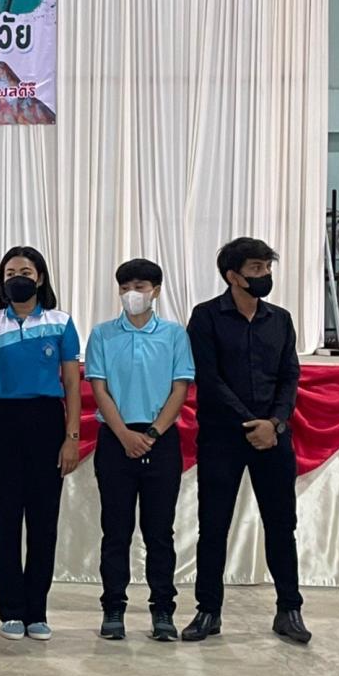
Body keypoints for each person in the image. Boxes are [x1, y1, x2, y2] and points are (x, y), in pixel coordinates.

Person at [182, 238, 310, 644]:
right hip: (222, 436)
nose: (264, 275)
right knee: (213, 524)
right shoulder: (206, 317)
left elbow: (290, 375)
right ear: (232, 276)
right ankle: (208, 610)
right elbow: (208, 378)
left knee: (281, 524)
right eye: (256, 268)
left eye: (267, 268)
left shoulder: (280, 319)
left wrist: (273, 422)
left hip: (273, 437)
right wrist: (249, 422)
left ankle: (289, 609)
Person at [84, 259, 194, 642]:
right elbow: (99, 388)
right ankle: (113, 607)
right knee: (115, 531)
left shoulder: (174, 335)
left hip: (160, 440)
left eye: (141, 286)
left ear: (156, 290)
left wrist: (151, 433)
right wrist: (124, 435)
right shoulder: (102, 334)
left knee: (159, 532)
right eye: (126, 286)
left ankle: (163, 609)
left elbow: (180, 388)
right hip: (115, 440)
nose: (133, 293)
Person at [0, 246, 81, 642]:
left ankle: (37, 610)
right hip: (2, 422)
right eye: (10, 273)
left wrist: (71, 437)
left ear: (40, 277)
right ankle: (11, 611)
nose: (17, 278)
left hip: (47, 421)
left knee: (43, 521)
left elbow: (71, 383)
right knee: (5, 521)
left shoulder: (61, 322)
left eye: (25, 271)